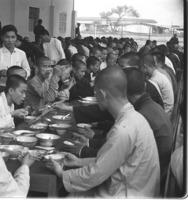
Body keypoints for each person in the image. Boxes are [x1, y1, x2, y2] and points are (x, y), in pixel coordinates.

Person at [47, 67, 160, 197]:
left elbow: (96, 173)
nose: (96, 97)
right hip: (136, 187)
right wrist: (78, 162)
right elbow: (109, 161)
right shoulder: (134, 118)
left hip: (127, 193)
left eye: (95, 93)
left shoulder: (123, 129)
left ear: (102, 94)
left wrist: (62, 174)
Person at [0, 25, 30, 97]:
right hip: (1, 88)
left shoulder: (21, 53)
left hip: (18, 88)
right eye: (7, 37)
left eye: (13, 37)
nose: (10, 40)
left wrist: (22, 74)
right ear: (2, 38)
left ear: (16, 38)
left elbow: (27, 70)